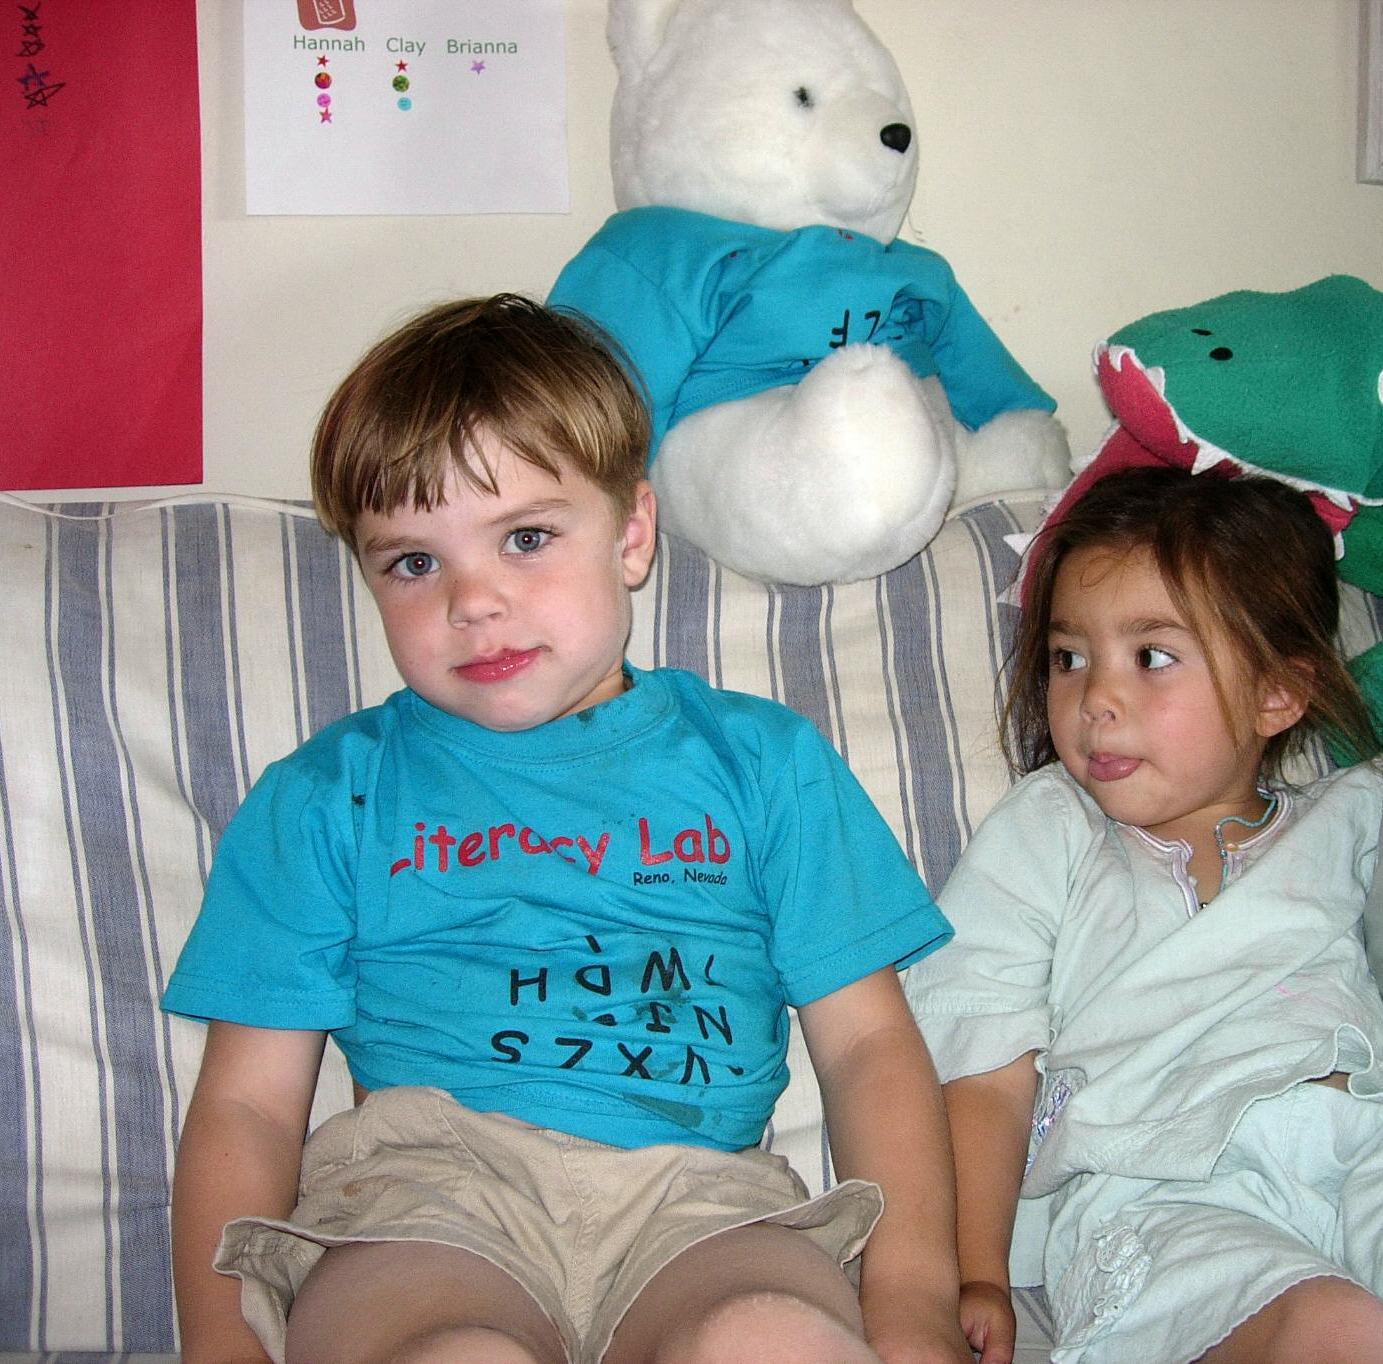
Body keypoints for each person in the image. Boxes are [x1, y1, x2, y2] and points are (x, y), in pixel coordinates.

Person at [163, 294, 974, 1364]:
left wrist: (911, 1295)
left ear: (631, 533)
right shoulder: (325, 797)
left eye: (527, 537)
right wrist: (221, 1343)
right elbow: (250, 1108)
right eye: (414, 562)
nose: (473, 601)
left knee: (773, 1336)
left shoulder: (762, 761)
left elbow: (868, 1046)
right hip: (425, 1202)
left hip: (704, 1202)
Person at [903, 465, 1383, 1364]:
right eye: (1068, 658)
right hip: (1155, 1190)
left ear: (1277, 694)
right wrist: (973, 1271)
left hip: (1375, 1150)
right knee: (1333, 1334)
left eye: (1151, 656)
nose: (1095, 699)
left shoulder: (1361, 814)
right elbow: (984, 1068)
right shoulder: (1050, 827)